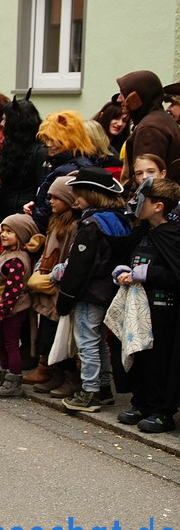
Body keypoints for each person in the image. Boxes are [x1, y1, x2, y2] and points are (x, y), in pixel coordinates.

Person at [55, 167, 130, 413]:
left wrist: (66, 295)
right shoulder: (120, 220)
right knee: (99, 342)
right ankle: (105, 387)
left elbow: (80, 266)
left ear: (92, 195)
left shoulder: (91, 225)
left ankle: (90, 392)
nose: (75, 198)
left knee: (87, 341)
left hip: (89, 292)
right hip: (109, 289)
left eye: (79, 193)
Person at [110, 178, 180, 433]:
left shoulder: (173, 235)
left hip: (162, 312)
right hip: (135, 310)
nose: (136, 204)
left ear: (158, 206)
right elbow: (123, 256)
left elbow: (175, 273)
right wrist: (122, 270)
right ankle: (140, 403)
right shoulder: (140, 233)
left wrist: (148, 274)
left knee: (158, 361)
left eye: (144, 200)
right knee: (136, 356)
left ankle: (162, 411)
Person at [26, 176, 81, 397]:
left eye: (55, 197)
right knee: (47, 333)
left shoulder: (74, 226)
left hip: (58, 286)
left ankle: (69, 377)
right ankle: (53, 373)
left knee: (61, 336)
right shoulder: (54, 220)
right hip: (48, 286)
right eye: (49, 196)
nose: (50, 201)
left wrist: (56, 275)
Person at [0, 214, 41, 398]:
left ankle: (14, 381)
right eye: (3, 230)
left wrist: (2, 310)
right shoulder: (8, 253)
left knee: (10, 343)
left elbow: (13, 289)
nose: (4, 234)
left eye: (10, 231)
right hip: (5, 307)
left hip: (13, 308)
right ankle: (4, 376)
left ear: (21, 235)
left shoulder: (17, 260)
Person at [25, 111, 95, 233]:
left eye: (54, 140)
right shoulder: (64, 163)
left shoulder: (68, 168)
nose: (49, 145)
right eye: (47, 139)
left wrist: (35, 214)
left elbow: (51, 209)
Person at [117, 70, 180, 184]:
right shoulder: (160, 121)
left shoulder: (150, 128)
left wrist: (135, 200)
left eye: (123, 93)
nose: (119, 99)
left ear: (136, 97)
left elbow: (147, 180)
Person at [0, 97, 45, 221]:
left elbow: (41, 187)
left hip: (25, 214)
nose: (1, 124)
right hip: (5, 211)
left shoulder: (40, 152)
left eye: (5, 119)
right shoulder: (9, 147)